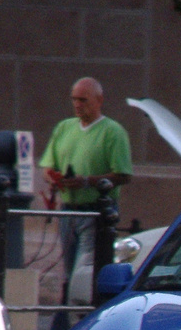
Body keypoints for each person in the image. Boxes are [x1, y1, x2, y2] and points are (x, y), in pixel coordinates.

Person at [40, 77, 133, 314]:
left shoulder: (113, 132)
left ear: (99, 101)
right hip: (68, 209)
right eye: (74, 99)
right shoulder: (64, 128)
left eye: (83, 100)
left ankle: (77, 317)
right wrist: (56, 178)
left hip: (95, 211)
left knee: (85, 270)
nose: (78, 104)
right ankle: (63, 323)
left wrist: (86, 182)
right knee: (69, 270)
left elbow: (123, 174)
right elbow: (47, 166)